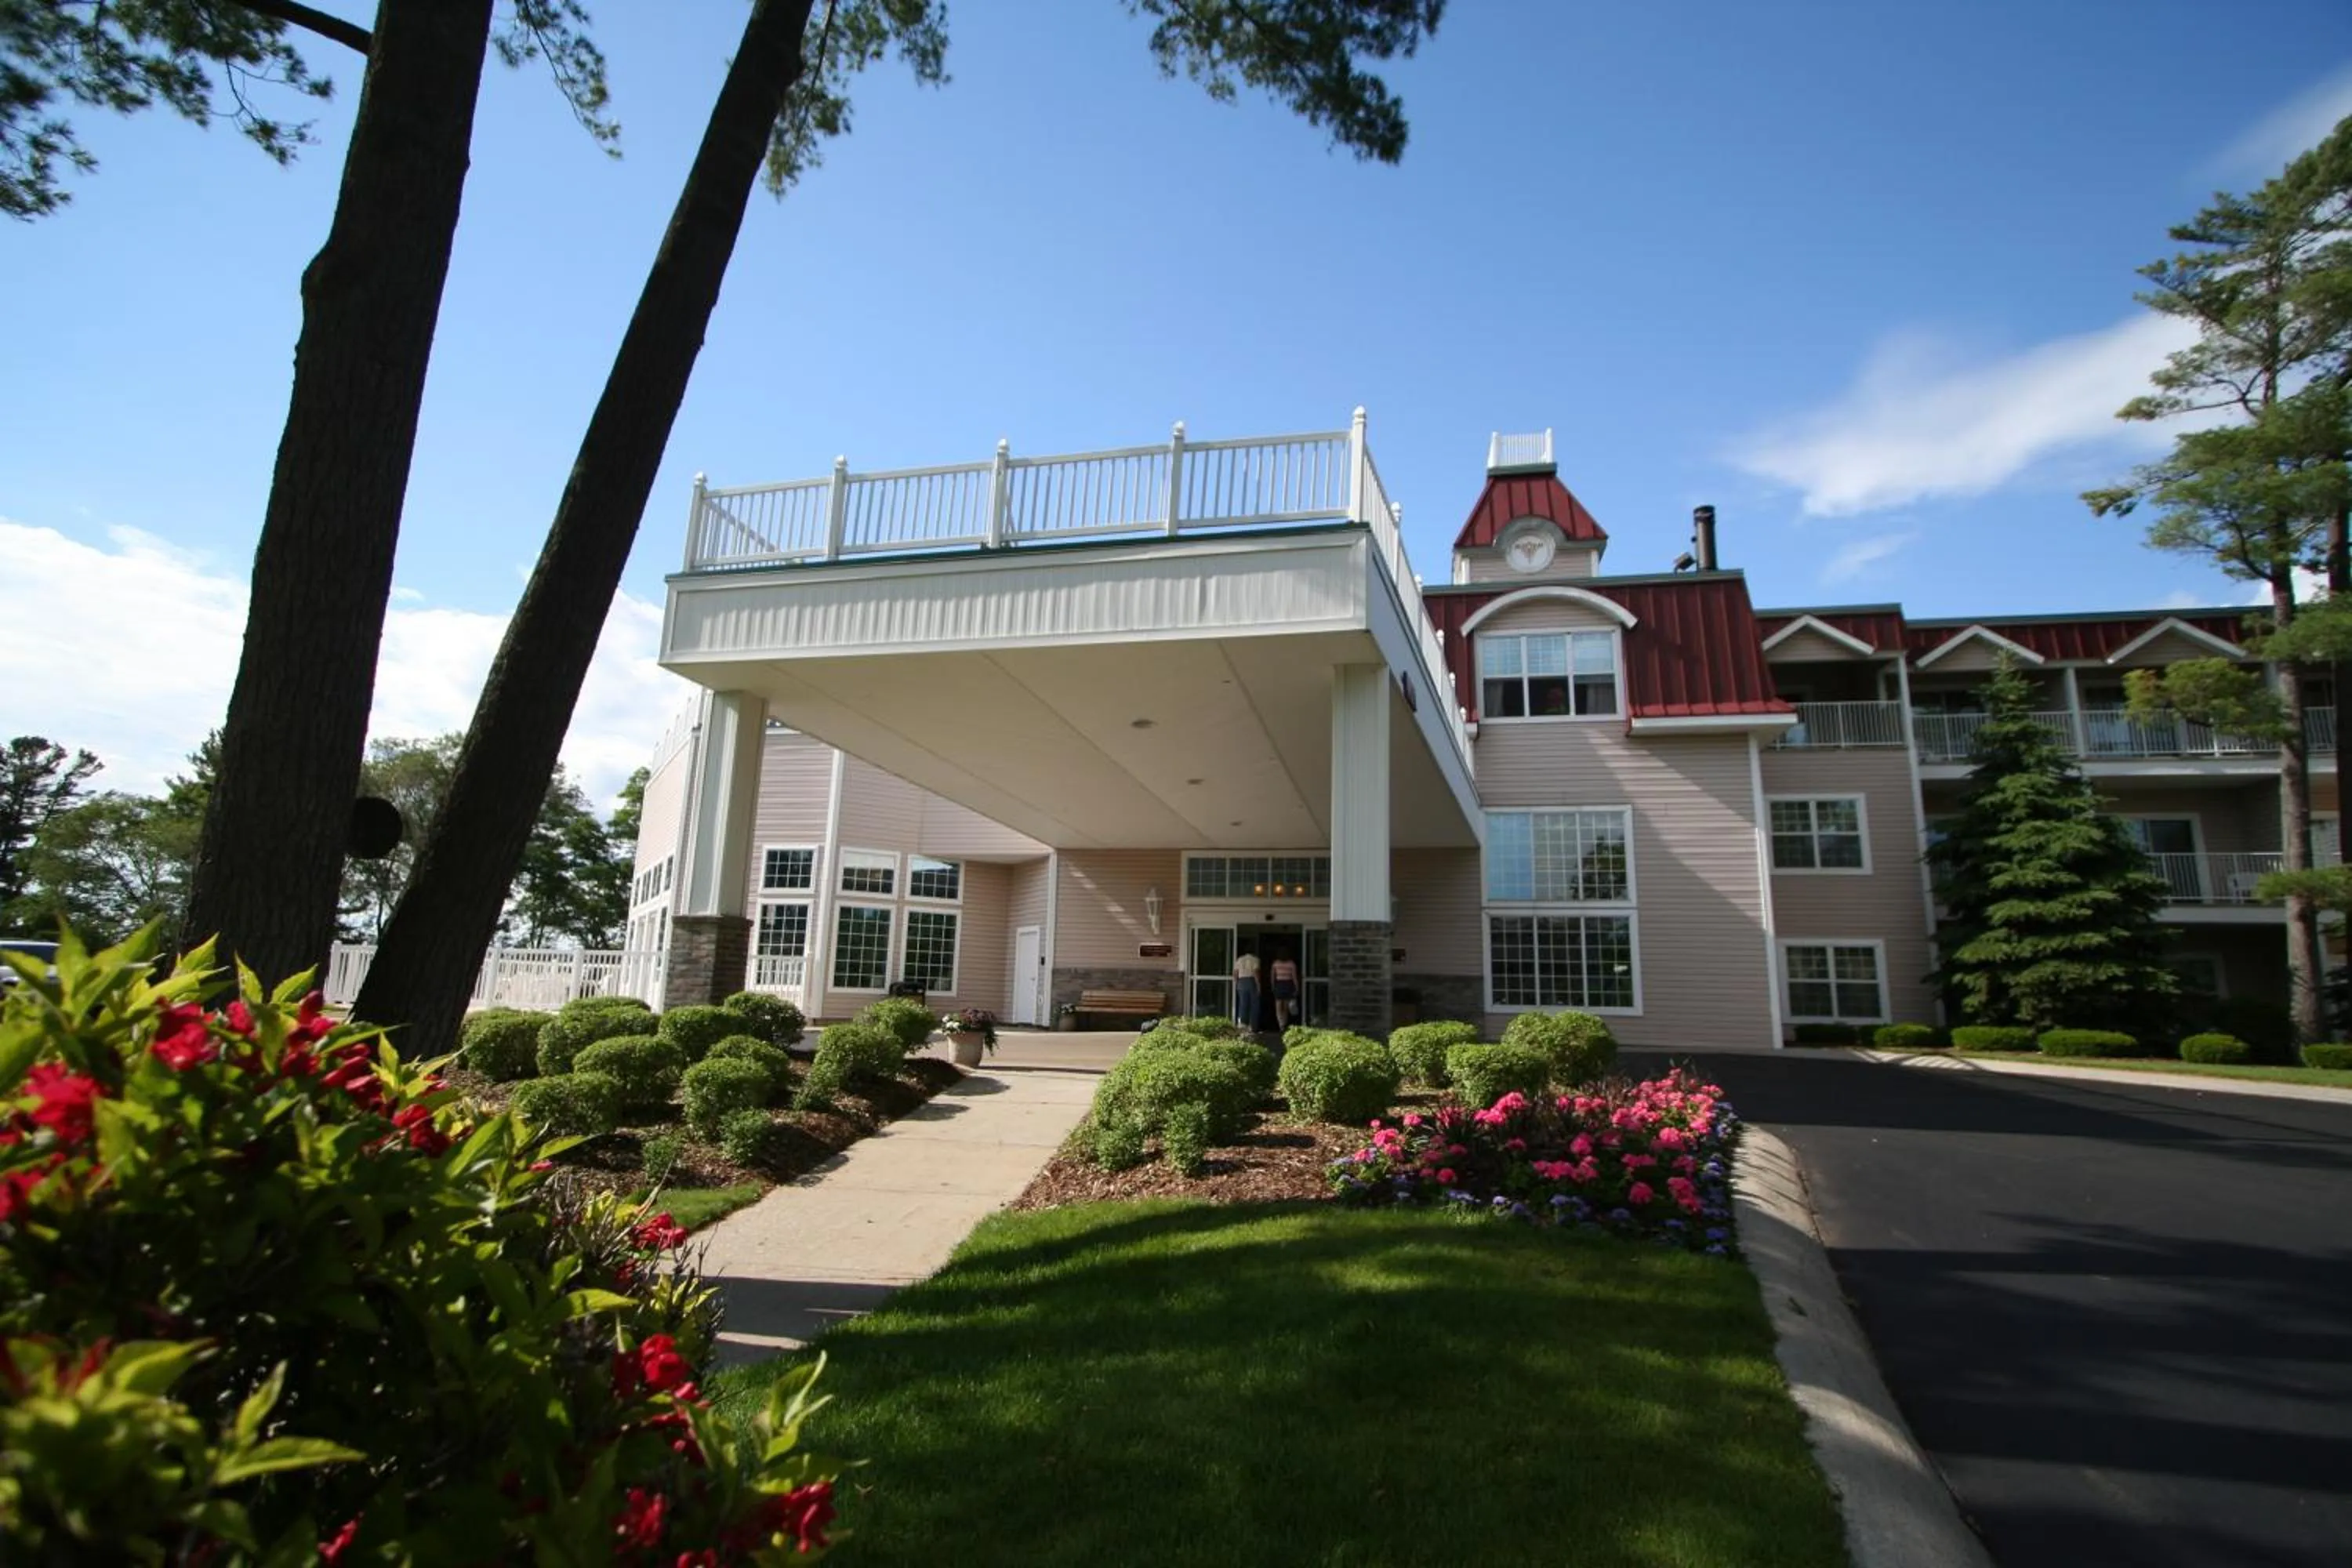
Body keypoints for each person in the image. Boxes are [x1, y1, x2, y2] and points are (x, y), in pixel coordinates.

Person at [1269, 948, 1300, 1029]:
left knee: (1278, 1006)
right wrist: (1297, 987)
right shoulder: (1291, 964)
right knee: (1286, 1007)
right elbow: (1294, 977)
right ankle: (1285, 1023)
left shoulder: (1275, 964)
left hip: (1279, 984)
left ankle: (1280, 1024)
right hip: (1288, 984)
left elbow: (1273, 976)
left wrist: (1273, 986)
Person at [1232, 946, 1261, 1030]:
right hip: (1251, 981)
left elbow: (1235, 973)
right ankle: (1253, 1026)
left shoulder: (1239, 959)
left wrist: (1237, 983)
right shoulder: (1255, 960)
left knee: (1243, 1004)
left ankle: (1243, 1025)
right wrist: (1258, 985)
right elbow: (1256, 973)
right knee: (1254, 1004)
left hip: (1241, 981)